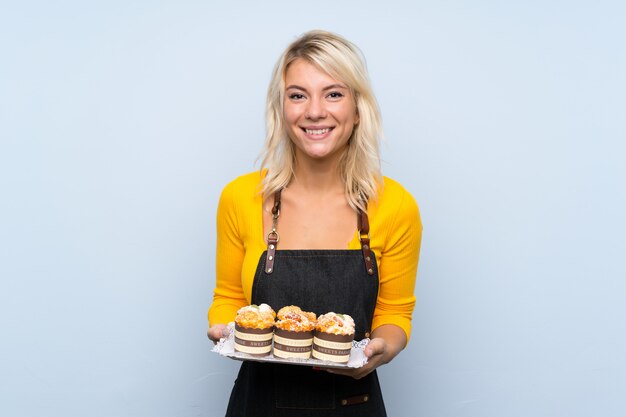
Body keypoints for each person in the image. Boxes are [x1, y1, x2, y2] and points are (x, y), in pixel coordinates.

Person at [207, 30, 422, 416]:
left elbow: (394, 313)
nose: (315, 111)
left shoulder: (395, 204)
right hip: (259, 403)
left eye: (334, 93)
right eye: (298, 94)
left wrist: (381, 350)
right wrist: (225, 331)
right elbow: (228, 298)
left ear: (358, 110)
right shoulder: (241, 197)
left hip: (353, 403)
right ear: (282, 108)